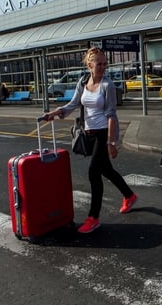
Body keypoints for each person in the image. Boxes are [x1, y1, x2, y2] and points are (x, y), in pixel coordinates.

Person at [43, 47, 137, 233]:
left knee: (94, 172)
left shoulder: (107, 85)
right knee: (106, 170)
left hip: (103, 133)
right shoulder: (83, 81)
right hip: (89, 133)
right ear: (89, 65)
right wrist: (56, 112)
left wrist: (111, 142)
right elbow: (74, 103)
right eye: (98, 64)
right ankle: (129, 195)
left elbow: (111, 115)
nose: (102, 67)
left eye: (104, 63)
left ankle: (93, 218)